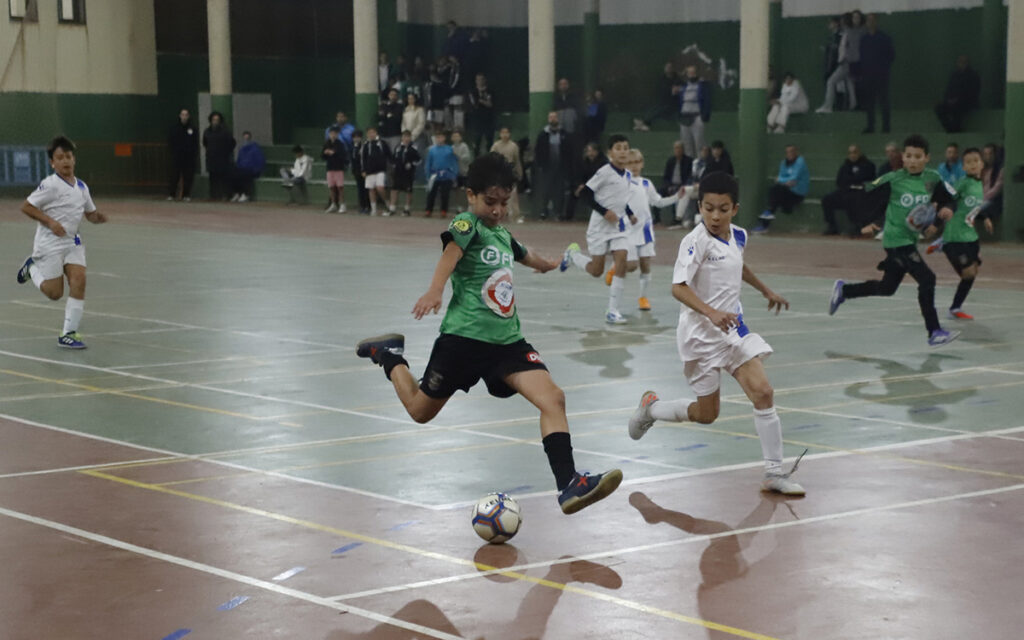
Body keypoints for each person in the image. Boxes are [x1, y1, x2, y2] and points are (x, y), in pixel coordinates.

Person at [355, 153, 624, 515]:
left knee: (553, 398)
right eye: (490, 202)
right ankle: (388, 355)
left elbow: (531, 258)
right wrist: (436, 289)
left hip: (507, 343)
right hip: (463, 341)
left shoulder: (504, 237)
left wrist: (554, 263)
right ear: (471, 196)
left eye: (504, 202)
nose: (497, 210)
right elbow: (451, 253)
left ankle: (569, 484)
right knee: (420, 411)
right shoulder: (469, 225)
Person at [626, 171, 806, 496]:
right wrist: (710, 312)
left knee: (763, 392)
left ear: (735, 209)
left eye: (723, 208)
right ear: (700, 206)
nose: (715, 215)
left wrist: (766, 290)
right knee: (707, 414)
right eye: (709, 208)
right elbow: (678, 287)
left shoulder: (738, 236)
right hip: (700, 338)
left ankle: (774, 473)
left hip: (733, 331)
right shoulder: (695, 241)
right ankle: (651, 409)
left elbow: (739, 266)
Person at [828, 134, 961, 347]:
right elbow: (866, 195)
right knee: (927, 279)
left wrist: (943, 213)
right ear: (903, 157)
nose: (913, 160)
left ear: (926, 158)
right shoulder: (893, 179)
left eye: (918, 156)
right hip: (896, 241)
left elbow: (948, 200)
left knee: (887, 288)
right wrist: (867, 223)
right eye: (909, 156)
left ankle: (844, 291)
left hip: (909, 239)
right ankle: (934, 331)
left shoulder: (933, 178)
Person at [16, 136, 108, 349]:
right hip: (50, 243)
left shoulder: (83, 188)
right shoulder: (50, 185)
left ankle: (68, 333)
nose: (65, 161)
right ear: (52, 163)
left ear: (74, 159)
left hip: (73, 242)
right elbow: (27, 207)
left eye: (68, 156)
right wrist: (50, 222)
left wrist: (97, 218)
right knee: (54, 293)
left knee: (79, 280)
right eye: (60, 157)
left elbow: (90, 214)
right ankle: (32, 270)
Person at [558, 134, 638, 324]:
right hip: (599, 227)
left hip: (618, 226)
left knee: (621, 260)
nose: (623, 151)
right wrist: (604, 212)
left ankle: (613, 311)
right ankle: (573, 256)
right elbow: (585, 194)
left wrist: (630, 212)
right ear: (610, 153)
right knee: (596, 270)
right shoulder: (604, 172)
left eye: (626, 148)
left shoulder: (627, 174)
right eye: (618, 148)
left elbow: (620, 199)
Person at [930, 147, 993, 320]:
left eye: (975, 161)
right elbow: (949, 198)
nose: (972, 164)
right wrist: (938, 210)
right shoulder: (963, 183)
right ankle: (955, 308)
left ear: (982, 164)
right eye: (968, 162)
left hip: (971, 236)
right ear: (963, 167)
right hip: (955, 237)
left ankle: (956, 307)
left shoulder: (979, 184)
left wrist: (985, 217)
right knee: (968, 273)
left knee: (973, 272)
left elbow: (972, 206)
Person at [622, 148, 682, 311]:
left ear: (642, 164)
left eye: (637, 162)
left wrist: (676, 197)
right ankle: (616, 268)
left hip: (646, 231)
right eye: (630, 163)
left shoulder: (647, 184)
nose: (634, 166)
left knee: (645, 265)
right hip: (628, 231)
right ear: (624, 165)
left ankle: (643, 297)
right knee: (632, 265)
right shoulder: (622, 183)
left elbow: (658, 202)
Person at [754, 144, 810, 232]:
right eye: (787, 152)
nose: (789, 154)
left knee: (776, 192)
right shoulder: (784, 162)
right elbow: (781, 178)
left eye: (792, 152)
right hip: (786, 191)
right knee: (775, 191)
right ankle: (767, 217)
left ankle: (765, 222)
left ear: (796, 152)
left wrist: (783, 180)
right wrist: (786, 181)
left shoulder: (800, 162)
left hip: (797, 194)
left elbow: (793, 178)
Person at [821, 144, 875, 235]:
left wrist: (853, 182)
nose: (852, 155)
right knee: (827, 199)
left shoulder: (868, 165)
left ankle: (857, 226)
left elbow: (866, 180)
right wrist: (851, 183)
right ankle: (832, 226)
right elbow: (839, 181)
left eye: (855, 152)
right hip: (846, 191)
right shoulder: (845, 166)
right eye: (850, 153)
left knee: (852, 200)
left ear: (859, 153)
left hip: (861, 193)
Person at [815, 12, 864, 113]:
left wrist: (844, 59)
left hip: (847, 63)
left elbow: (851, 49)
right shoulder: (847, 31)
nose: (841, 23)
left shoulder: (850, 32)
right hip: (850, 62)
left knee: (831, 82)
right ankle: (853, 104)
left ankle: (828, 106)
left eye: (843, 21)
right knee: (850, 84)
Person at [533, 112, 573, 220]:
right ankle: (544, 211)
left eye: (554, 117)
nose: (552, 119)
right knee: (546, 190)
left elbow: (569, 151)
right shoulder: (543, 135)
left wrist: (568, 166)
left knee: (559, 191)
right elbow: (538, 151)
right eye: (550, 117)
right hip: (547, 167)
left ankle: (558, 212)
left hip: (561, 167)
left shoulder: (564, 134)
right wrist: (540, 165)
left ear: (558, 119)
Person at [859, 13, 895, 133]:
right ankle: (870, 126)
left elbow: (891, 55)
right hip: (868, 75)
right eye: (868, 20)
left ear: (876, 21)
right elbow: (862, 57)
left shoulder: (884, 38)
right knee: (870, 102)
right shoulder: (864, 39)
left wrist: (883, 68)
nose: (870, 23)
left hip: (881, 75)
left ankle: (886, 127)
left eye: (872, 20)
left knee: (883, 101)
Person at [935, 55, 981, 134]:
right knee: (939, 108)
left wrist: (958, 99)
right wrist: (948, 100)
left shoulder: (973, 75)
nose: (961, 64)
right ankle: (951, 129)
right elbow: (948, 89)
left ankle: (956, 130)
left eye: (964, 62)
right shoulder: (954, 75)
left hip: (967, 102)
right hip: (952, 101)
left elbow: (973, 91)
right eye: (960, 62)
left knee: (957, 109)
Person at [675, 65, 712, 157]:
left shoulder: (702, 86)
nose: (691, 75)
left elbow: (707, 100)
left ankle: (700, 167)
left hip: (697, 117)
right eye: (689, 73)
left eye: (693, 72)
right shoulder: (683, 87)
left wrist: (704, 116)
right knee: (687, 146)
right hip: (684, 118)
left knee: (699, 144)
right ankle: (689, 168)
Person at [566, 142, 607, 222]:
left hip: (599, 186)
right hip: (586, 185)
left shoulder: (603, 162)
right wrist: (580, 185)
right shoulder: (585, 161)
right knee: (573, 193)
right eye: (588, 151)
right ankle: (568, 217)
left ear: (597, 152)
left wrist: (586, 186)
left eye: (592, 151)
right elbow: (581, 175)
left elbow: (599, 177)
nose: (590, 153)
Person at [490, 126, 524, 223]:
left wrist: (519, 173)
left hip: (510, 173)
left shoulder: (514, 146)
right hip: (498, 173)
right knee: (497, 196)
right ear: (500, 134)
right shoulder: (496, 146)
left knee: (513, 196)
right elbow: (491, 160)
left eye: (507, 132)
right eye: (503, 132)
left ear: (509, 134)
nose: (505, 135)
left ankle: (515, 216)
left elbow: (517, 161)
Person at [634, 62, 680, 131]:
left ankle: (645, 123)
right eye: (667, 67)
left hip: (673, 105)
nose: (668, 69)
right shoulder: (662, 79)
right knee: (654, 109)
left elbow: (679, 90)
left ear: (673, 69)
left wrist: (677, 90)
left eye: (670, 67)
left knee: (659, 109)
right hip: (662, 103)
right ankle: (644, 124)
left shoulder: (677, 80)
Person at [424, 130, 458, 218]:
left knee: (445, 194)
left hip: (446, 175)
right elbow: (428, 163)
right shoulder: (432, 150)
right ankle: (428, 210)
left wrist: (454, 174)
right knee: (431, 193)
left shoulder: (449, 149)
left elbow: (454, 162)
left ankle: (444, 211)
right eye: (437, 137)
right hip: (434, 175)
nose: (439, 139)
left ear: (444, 138)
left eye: (440, 137)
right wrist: (428, 175)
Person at [202, 111, 235, 201]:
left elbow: (232, 143)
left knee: (224, 178)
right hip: (211, 158)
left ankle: (225, 195)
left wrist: (225, 152)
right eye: (213, 120)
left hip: (223, 159)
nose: (215, 121)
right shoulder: (207, 131)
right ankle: (213, 195)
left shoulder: (225, 132)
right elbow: (205, 143)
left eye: (217, 120)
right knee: (213, 178)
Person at [167, 108, 198, 201]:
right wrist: (173, 152)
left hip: (188, 157)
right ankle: (172, 195)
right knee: (174, 175)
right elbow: (171, 141)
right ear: (180, 116)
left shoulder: (193, 129)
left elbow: (195, 143)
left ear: (188, 116)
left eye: (186, 115)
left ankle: (186, 195)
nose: (184, 117)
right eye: (182, 114)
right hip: (177, 156)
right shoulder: (174, 128)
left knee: (188, 176)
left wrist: (193, 154)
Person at [359, 127, 391, 216]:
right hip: (369, 171)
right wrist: (363, 170)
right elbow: (363, 159)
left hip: (380, 170)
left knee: (380, 188)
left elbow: (388, 155)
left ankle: (388, 205)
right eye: (369, 133)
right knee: (371, 189)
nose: (371, 134)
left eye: (373, 132)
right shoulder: (365, 145)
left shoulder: (382, 143)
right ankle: (374, 209)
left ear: (376, 133)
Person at [390, 130, 421, 216]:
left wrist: (411, 164)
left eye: (408, 137)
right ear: (402, 137)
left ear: (410, 138)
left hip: (408, 173)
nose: (406, 139)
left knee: (408, 191)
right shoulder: (398, 147)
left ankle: (407, 209)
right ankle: (392, 208)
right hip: (398, 172)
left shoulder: (413, 148)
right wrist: (394, 165)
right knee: (394, 190)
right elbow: (393, 158)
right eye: (404, 137)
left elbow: (418, 160)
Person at [662, 141, 693, 227]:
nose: (677, 150)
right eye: (676, 148)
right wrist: (668, 186)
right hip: (671, 185)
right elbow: (666, 176)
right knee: (659, 192)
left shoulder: (688, 161)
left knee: (680, 192)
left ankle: (677, 218)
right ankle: (657, 219)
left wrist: (683, 185)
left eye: (679, 148)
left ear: (683, 149)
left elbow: (689, 176)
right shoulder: (670, 161)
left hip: (682, 185)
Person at [231, 131, 265, 203]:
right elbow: (239, 161)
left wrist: (256, 170)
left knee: (244, 174)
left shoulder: (255, 149)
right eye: (244, 137)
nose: (246, 139)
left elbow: (259, 161)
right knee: (233, 174)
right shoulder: (241, 149)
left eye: (247, 138)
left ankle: (246, 194)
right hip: (243, 169)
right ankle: (237, 193)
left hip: (252, 170)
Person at [322, 126, 350, 213]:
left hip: (338, 168)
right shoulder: (327, 144)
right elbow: (322, 156)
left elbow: (343, 156)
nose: (333, 135)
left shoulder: (340, 144)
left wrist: (334, 153)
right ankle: (333, 204)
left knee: (340, 187)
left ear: (337, 134)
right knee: (331, 187)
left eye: (335, 133)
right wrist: (326, 153)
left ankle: (342, 205)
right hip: (330, 168)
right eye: (331, 133)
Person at [468, 73, 496, 156]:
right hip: (477, 120)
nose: (479, 81)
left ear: (485, 80)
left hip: (489, 119)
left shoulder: (490, 91)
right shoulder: (472, 92)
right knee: (477, 142)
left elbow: (491, 104)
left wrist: (482, 101)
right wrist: (484, 101)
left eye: (481, 79)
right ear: (475, 81)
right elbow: (474, 105)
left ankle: (491, 160)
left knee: (490, 142)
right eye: (478, 79)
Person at [450, 129, 472, 210]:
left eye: (457, 136)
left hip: (464, 172)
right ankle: (458, 206)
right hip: (455, 173)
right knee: (457, 190)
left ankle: (469, 206)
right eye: (454, 136)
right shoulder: (451, 148)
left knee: (467, 190)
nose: (456, 138)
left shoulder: (464, 146)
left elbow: (467, 158)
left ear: (461, 137)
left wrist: (458, 156)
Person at [350, 130, 370, 214]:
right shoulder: (352, 147)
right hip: (356, 171)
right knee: (360, 189)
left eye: (358, 137)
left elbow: (364, 160)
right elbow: (352, 160)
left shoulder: (364, 146)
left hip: (363, 171)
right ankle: (361, 206)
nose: (356, 139)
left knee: (366, 189)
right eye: (354, 137)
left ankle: (367, 206)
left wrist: (364, 170)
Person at [378, 88, 404, 153]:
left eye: (395, 95)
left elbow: (397, 119)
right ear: (388, 95)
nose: (393, 97)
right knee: (384, 153)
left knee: (394, 152)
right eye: (391, 95)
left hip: (395, 134)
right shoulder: (383, 105)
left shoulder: (400, 106)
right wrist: (389, 115)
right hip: (384, 134)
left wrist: (388, 115)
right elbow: (381, 116)